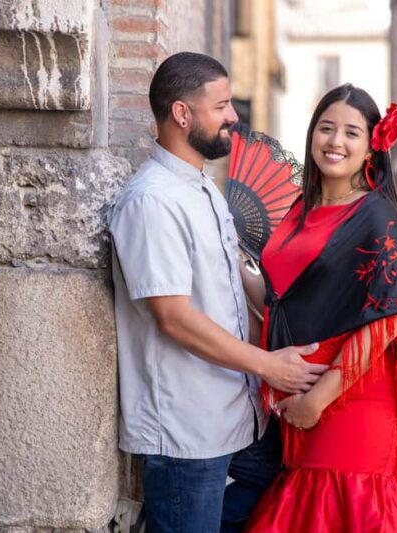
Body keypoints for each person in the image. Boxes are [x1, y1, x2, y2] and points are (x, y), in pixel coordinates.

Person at [107, 52, 328, 533]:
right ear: (182, 115)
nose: (234, 116)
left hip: (236, 409)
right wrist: (270, 366)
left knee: (289, 480)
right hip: (187, 427)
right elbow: (174, 317)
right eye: (222, 105)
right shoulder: (152, 200)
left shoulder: (204, 191)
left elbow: (231, 290)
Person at [243, 84, 397, 532]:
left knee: (344, 509)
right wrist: (227, 261)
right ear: (312, 135)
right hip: (297, 389)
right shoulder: (298, 210)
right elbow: (278, 299)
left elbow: (387, 318)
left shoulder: (375, 215)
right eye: (326, 128)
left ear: (372, 146)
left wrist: (318, 399)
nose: (335, 142)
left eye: (351, 132)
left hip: (354, 396)